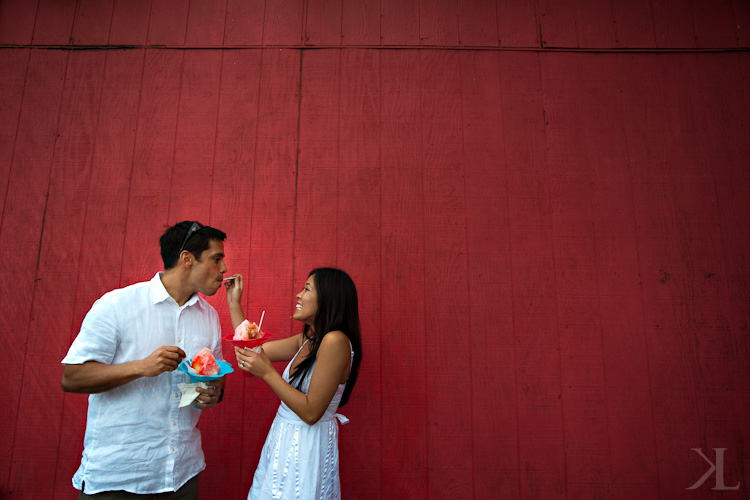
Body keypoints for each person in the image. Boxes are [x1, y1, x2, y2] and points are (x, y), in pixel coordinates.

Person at [61, 221, 230, 499]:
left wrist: (213, 393)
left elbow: (217, 380)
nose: (223, 269)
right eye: (216, 259)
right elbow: (72, 378)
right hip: (119, 476)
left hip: (182, 475)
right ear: (187, 259)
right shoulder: (117, 305)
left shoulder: (209, 316)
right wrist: (141, 367)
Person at [227, 268, 363, 500]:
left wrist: (269, 373)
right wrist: (233, 304)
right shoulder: (309, 340)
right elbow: (252, 352)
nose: (298, 295)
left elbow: (311, 413)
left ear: (329, 297)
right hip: (283, 439)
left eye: (307, 289)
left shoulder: (335, 341)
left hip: (307, 447)